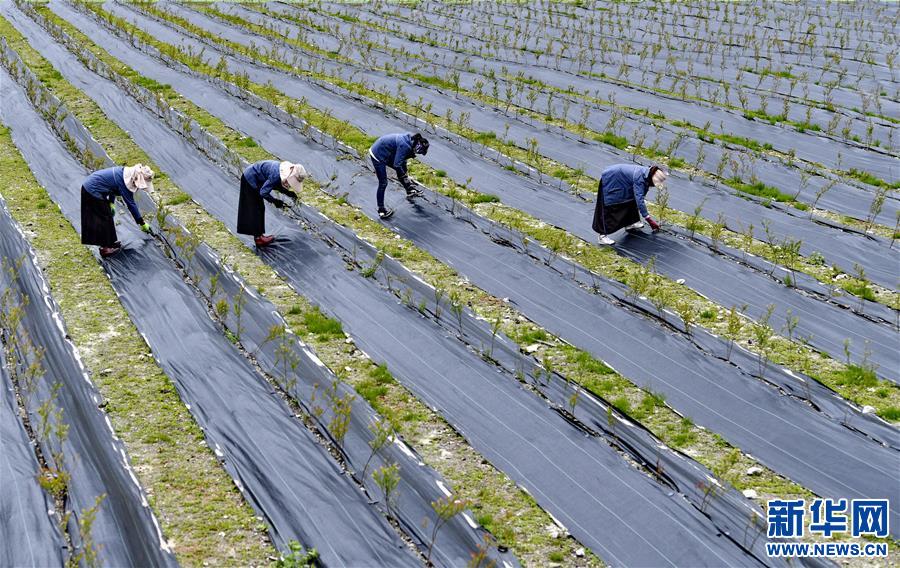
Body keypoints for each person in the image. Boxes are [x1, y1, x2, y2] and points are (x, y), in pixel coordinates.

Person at [81, 164, 153, 258]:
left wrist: (111, 202)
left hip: (93, 187)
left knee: (107, 215)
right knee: (104, 217)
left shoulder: (124, 174)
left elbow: (112, 188)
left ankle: (110, 243)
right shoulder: (124, 181)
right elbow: (131, 204)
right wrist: (142, 223)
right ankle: (105, 248)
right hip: (91, 190)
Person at [592, 163, 668, 245]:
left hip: (622, 180)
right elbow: (640, 199)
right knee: (611, 206)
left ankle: (630, 223)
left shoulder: (647, 174)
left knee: (630, 201)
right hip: (612, 179)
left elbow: (640, 196)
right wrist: (648, 219)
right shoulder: (640, 177)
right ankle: (602, 236)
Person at [237, 160, 307, 247]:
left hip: (258, 178)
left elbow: (276, 184)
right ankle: (259, 238)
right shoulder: (276, 174)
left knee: (259, 208)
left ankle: (259, 235)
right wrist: (275, 201)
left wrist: (288, 193)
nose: (289, 184)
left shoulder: (283, 172)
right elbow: (263, 192)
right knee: (257, 208)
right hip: (250, 179)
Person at [369, 132, 429, 219]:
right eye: (420, 152)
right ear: (418, 148)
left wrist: (406, 176)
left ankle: (409, 190)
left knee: (402, 168)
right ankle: (381, 210)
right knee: (383, 183)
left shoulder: (410, 142)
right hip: (377, 154)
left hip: (387, 151)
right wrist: (405, 177)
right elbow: (397, 165)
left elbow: (402, 162)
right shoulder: (405, 146)